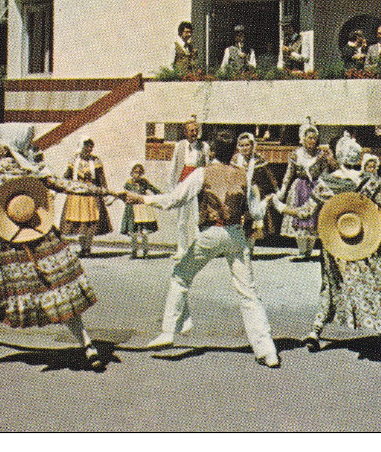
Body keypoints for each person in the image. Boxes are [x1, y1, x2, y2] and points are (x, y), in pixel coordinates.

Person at [0, 124, 107, 369]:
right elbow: (69, 186)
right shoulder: (35, 168)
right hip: (39, 233)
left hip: (6, 237)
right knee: (59, 288)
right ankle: (88, 346)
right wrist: (105, 191)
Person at [126, 130, 281, 368]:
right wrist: (267, 200)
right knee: (248, 293)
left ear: (213, 151)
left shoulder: (202, 173)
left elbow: (173, 200)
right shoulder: (243, 175)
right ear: (234, 152)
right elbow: (256, 212)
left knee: (180, 276)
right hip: (235, 236)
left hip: (210, 234)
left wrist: (143, 199)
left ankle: (169, 331)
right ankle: (267, 350)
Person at [273, 132, 381, 355]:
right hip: (367, 239)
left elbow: (305, 211)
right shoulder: (369, 181)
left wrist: (279, 207)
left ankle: (316, 331)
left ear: (338, 156)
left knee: (331, 286)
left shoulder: (326, 183)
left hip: (337, 244)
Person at [278, 120, 335, 260]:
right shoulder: (296, 155)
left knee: (314, 218)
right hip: (299, 187)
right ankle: (302, 249)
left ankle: (310, 250)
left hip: (315, 187)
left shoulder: (321, 155)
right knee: (299, 216)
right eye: (309, 137)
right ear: (303, 139)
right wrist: (283, 190)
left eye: (314, 138)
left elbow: (325, 172)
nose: (312, 140)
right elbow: (289, 173)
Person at [59, 136, 112, 256]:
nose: (89, 149)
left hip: (91, 195)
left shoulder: (96, 161)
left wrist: (105, 192)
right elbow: (67, 175)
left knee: (90, 224)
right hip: (77, 195)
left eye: (90, 146)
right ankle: (83, 248)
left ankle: (88, 248)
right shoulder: (74, 160)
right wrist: (60, 186)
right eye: (86, 146)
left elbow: (101, 178)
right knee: (79, 225)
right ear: (81, 147)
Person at [168, 118, 210, 259]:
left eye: (196, 130)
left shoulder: (204, 146)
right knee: (182, 219)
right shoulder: (180, 146)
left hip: (197, 185)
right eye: (191, 130)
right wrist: (173, 187)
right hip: (183, 184)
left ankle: (200, 249)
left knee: (197, 218)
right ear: (185, 132)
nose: (194, 133)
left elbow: (207, 167)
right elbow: (174, 166)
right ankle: (182, 248)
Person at [232, 132, 279, 245]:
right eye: (242, 145)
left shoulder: (259, 160)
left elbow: (269, 178)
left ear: (253, 145)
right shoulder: (234, 160)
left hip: (254, 193)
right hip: (238, 192)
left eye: (247, 145)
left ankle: (250, 246)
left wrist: (272, 193)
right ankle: (239, 246)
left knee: (252, 222)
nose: (244, 148)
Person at [120, 163, 160, 259]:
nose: (137, 175)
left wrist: (162, 196)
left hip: (142, 209)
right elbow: (125, 194)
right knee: (133, 232)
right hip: (132, 210)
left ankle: (146, 251)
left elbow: (153, 189)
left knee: (144, 232)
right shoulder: (128, 184)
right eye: (135, 172)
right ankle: (134, 251)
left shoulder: (144, 182)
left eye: (139, 173)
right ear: (132, 173)